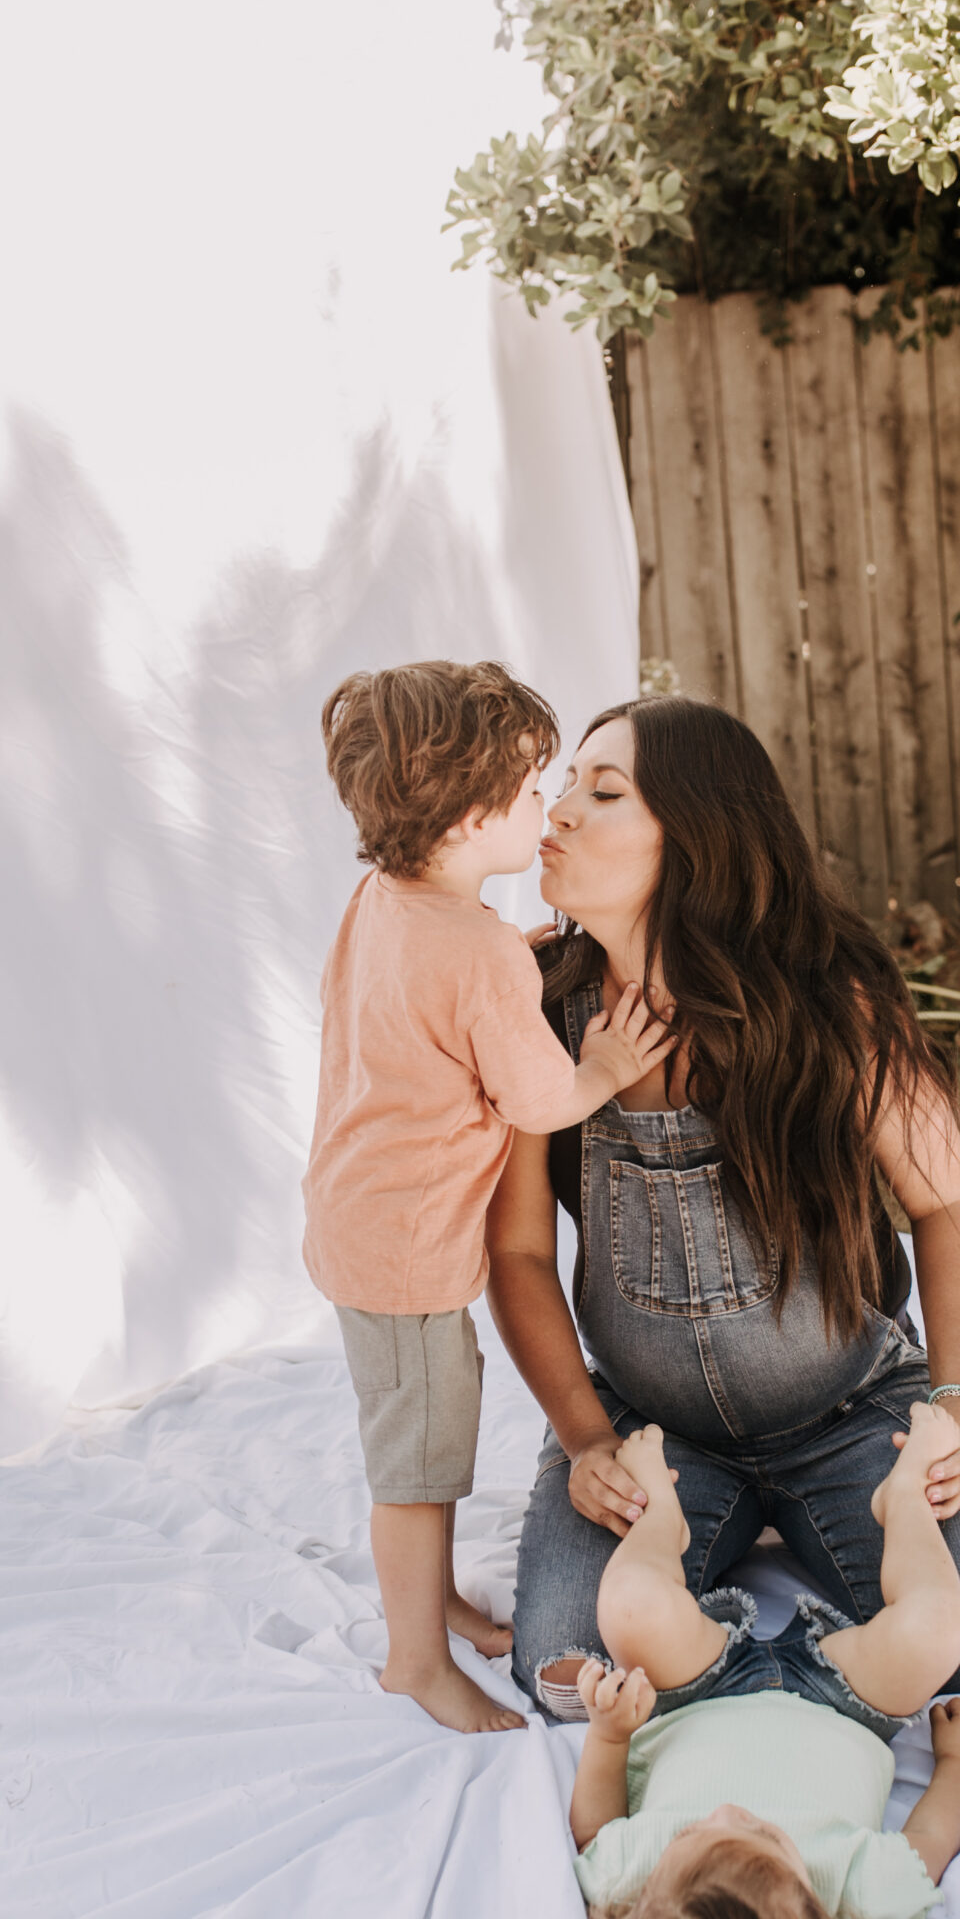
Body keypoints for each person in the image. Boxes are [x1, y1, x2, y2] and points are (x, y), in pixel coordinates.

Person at [483, 695, 960, 1730]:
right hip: (653, 1434)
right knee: (566, 1668)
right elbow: (518, 1253)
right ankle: (761, 1603)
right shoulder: (535, 1006)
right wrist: (584, 1440)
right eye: (564, 786)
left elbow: (950, 1202)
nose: (557, 811)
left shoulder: (830, 1000)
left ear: (699, 837)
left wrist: (957, 1398)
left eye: (602, 792)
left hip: (852, 1413)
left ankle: (767, 1611)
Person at [304, 661, 670, 1733]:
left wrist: (507, 958)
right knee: (418, 1466)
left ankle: (441, 1602)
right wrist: (600, 1068)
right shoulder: (480, 958)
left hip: (353, 1217)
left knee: (419, 1429)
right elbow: (540, 1098)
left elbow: (425, 995)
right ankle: (414, 1659)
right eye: (525, 794)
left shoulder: (388, 902)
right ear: (468, 817)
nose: (544, 809)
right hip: (408, 1251)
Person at [569, 1403, 960, 1919]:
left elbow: (593, 1829)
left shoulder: (636, 1888)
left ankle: (660, 1527)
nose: (729, 1812)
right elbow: (931, 1836)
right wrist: (957, 1764)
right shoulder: (859, 1899)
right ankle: (904, 1501)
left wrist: (609, 1736)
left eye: (699, 1835)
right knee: (936, 1632)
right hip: (842, 1699)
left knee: (631, 1610)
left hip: (697, 1691)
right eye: (763, 1836)